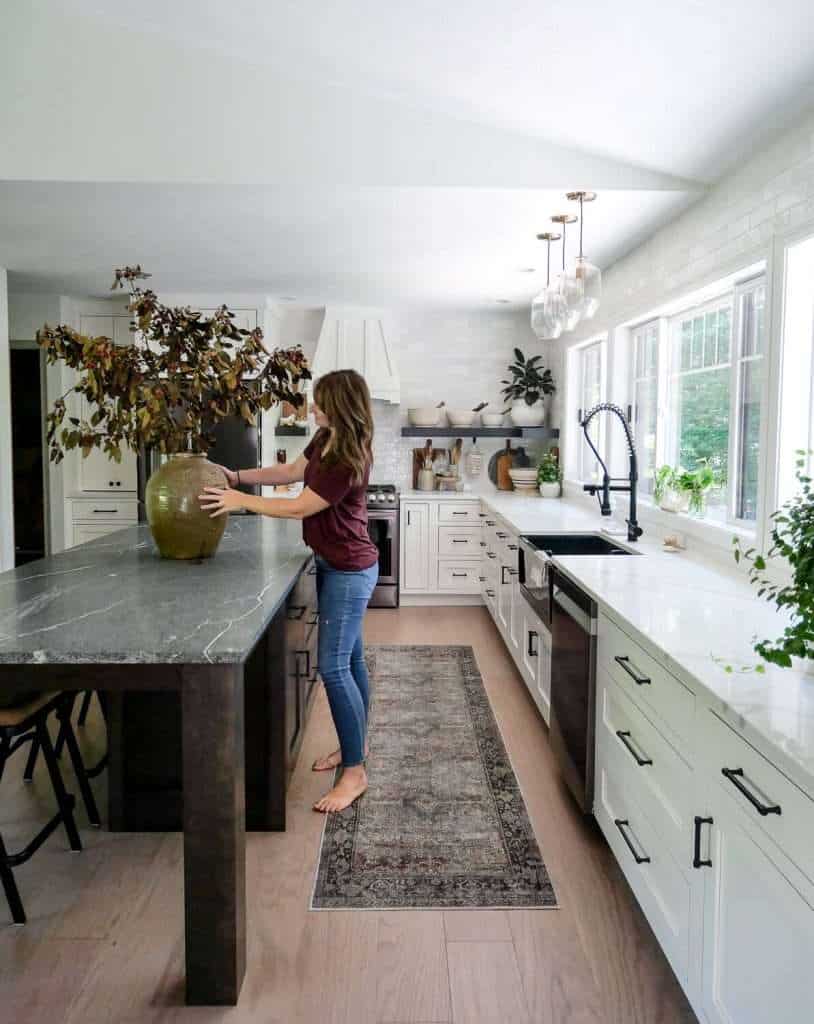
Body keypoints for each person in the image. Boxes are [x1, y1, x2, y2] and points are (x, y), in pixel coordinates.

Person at [198, 369, 379, 814]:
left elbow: (300, 505)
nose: (312, 407)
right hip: (339, 566)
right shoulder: (325, 440)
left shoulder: (346, 458)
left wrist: (241, 502)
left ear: (339, 405)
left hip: (350, 571)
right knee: (350, 661)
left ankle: (354, 772)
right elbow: (291, 471)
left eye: (319, 401)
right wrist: (238, 476)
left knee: (333, 668)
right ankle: (354, 747)